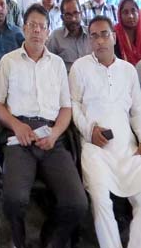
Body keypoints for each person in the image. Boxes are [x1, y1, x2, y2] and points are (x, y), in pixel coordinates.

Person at [0, 5, 88, 248]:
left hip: (52, 135)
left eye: (41, 27)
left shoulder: (56, 65)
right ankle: (19, 241)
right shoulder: (8, 62)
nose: (36, 31)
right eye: (32, 25)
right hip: (18, 135)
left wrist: (55, 133)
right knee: (13, 199)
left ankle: (48, 239)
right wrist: (16, 125)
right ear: (23, 28)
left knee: (77, 202)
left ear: (48, 31)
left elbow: (66, 108)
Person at [69, 15, 141, 248]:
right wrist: (89, 131)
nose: (100, 40)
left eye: (104, 34)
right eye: (94, 36)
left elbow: (137, 112)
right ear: (90, 40)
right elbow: (73, 105)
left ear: (113, 36)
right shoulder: (80, 68)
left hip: (127, 148)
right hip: (95, 148)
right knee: (101, 200)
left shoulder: (128, 70)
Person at [46, 0, 91, 71]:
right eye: (68, 15)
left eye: (76, 13)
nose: (73, 19)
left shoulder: (91, 34)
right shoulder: (56, 37)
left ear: (81, 14)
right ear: (62, 18)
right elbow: (47, 64)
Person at [115, 0, 141, 65]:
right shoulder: (114, 35)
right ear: (119, 15)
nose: (130, 16)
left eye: (133, 11)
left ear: (138, 12)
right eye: (125, 12)